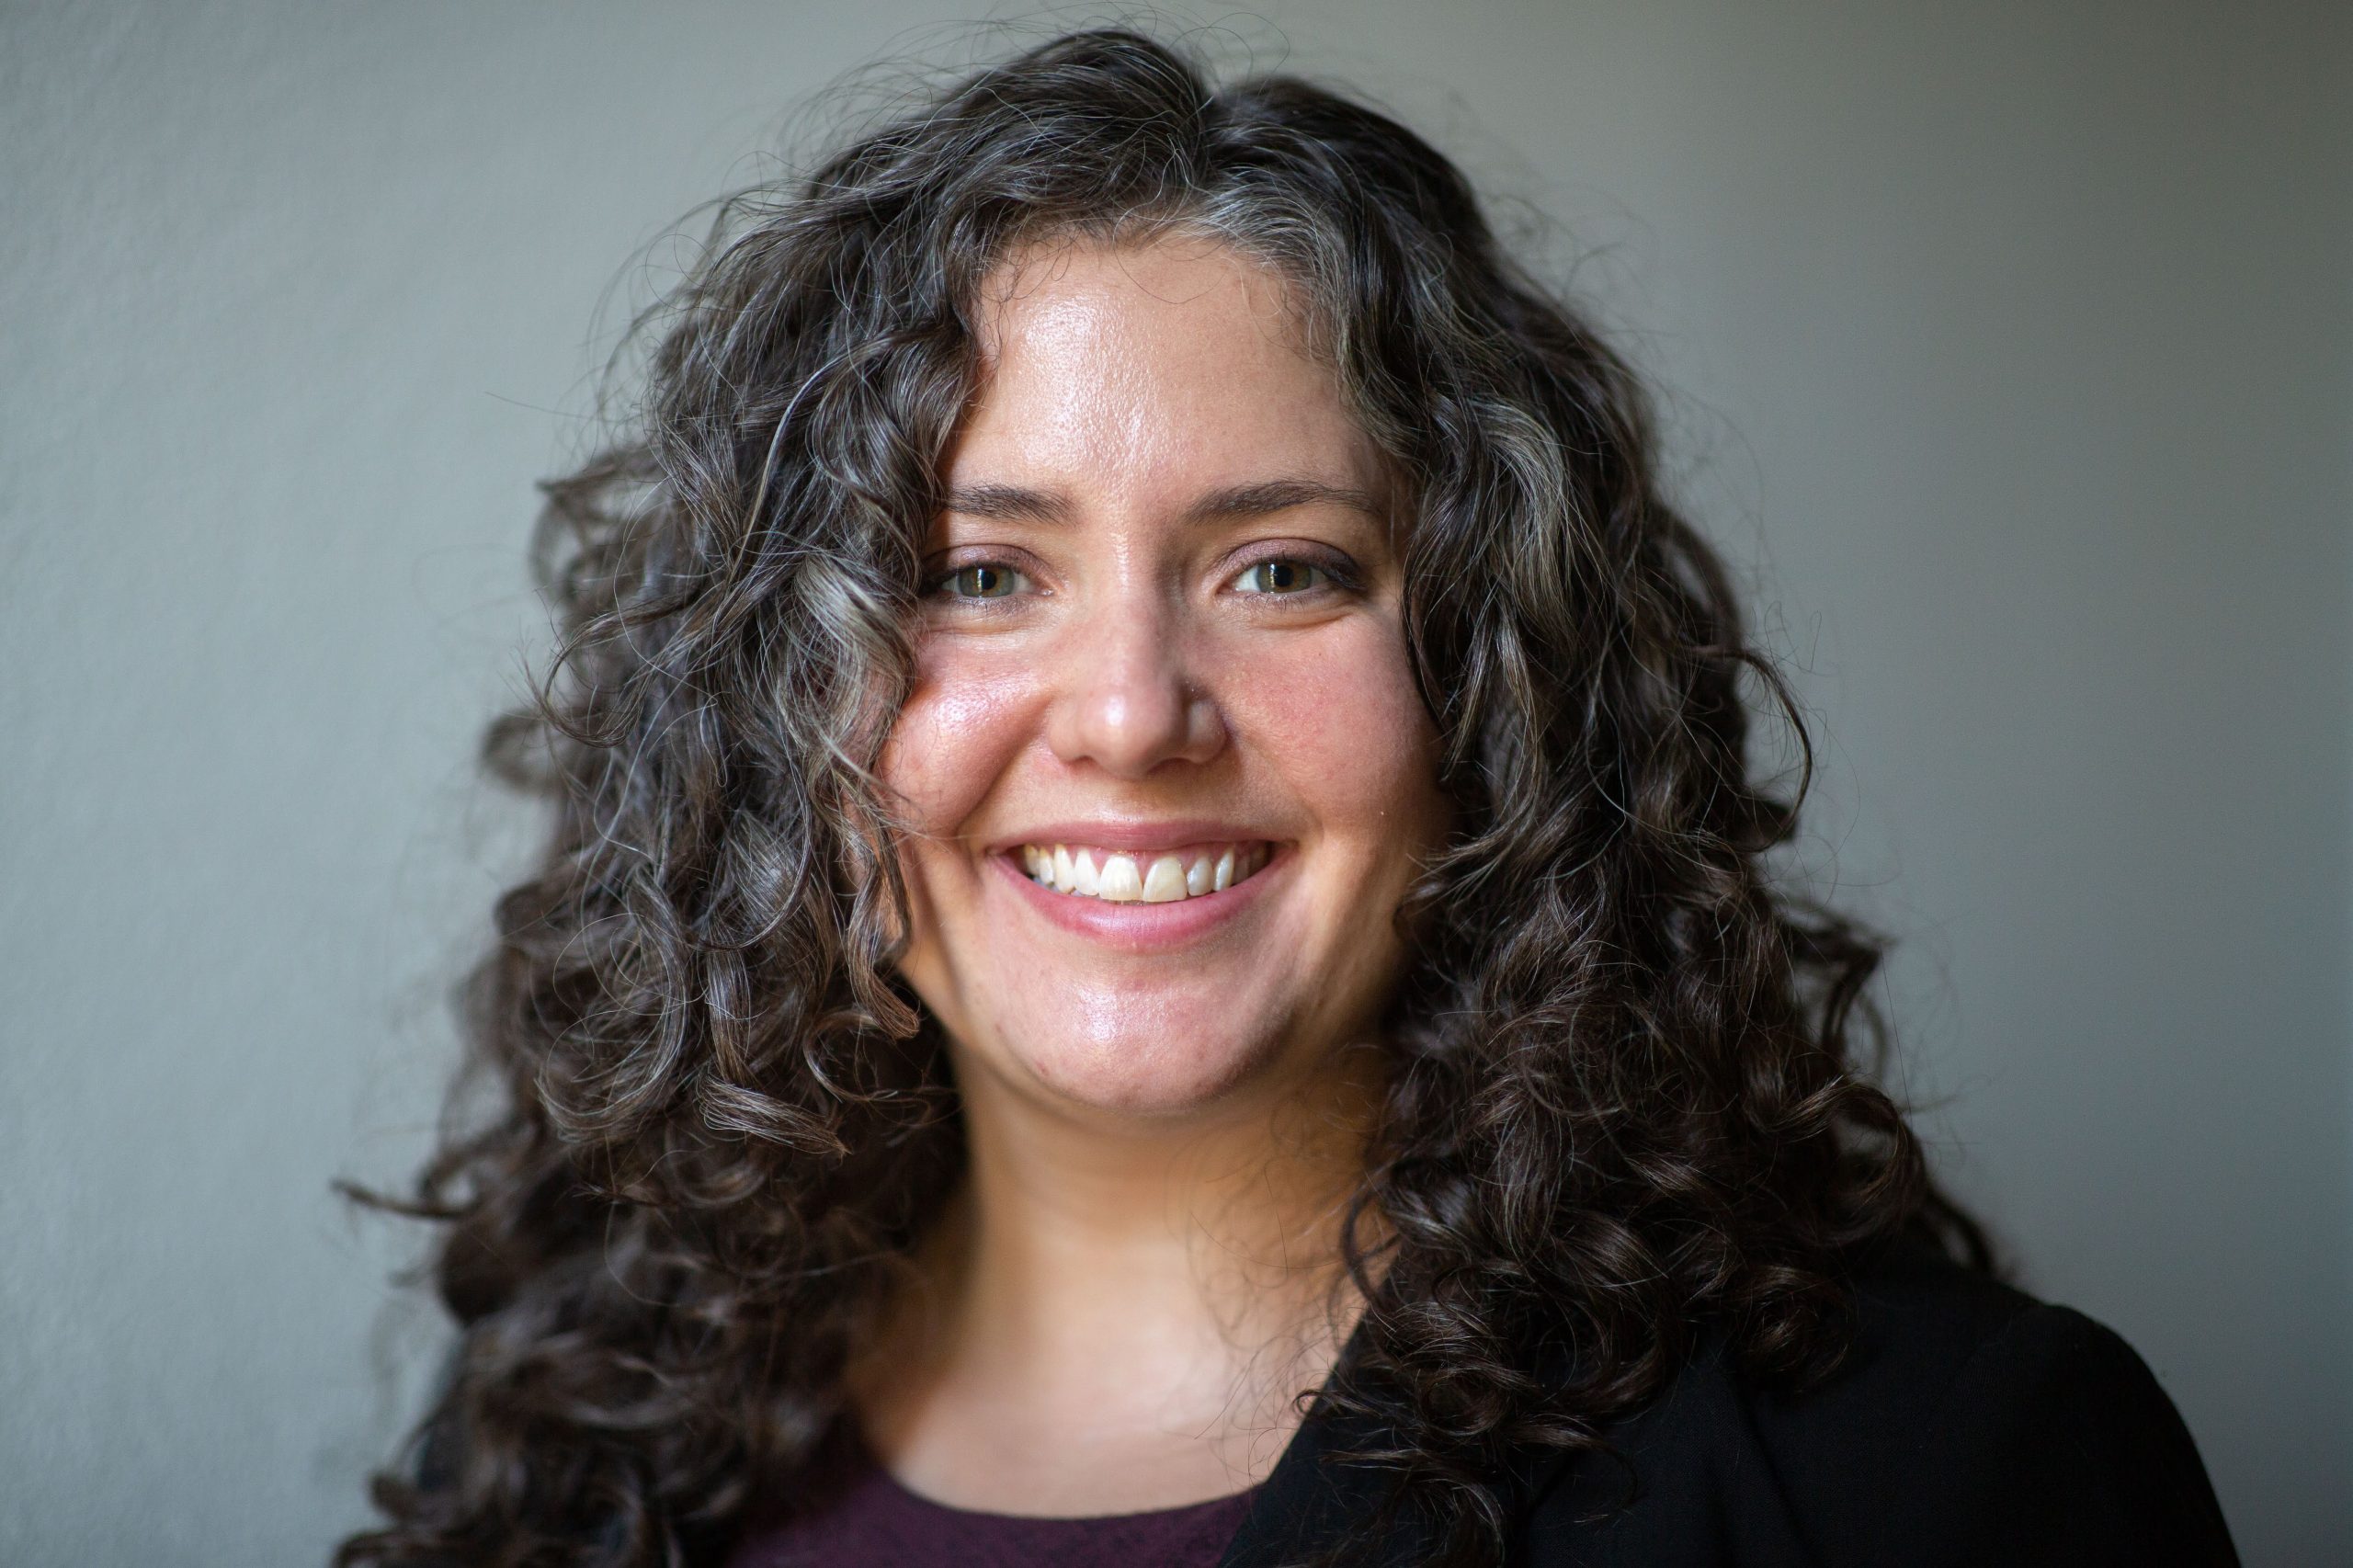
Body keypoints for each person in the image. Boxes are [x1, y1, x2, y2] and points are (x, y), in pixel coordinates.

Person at [339, 27, 2237, 1568]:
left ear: (1495, 682)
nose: (1133, 715)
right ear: (772, 710)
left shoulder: (1929, 1477)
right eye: (976, 573)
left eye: (1285, 570)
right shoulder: (572, 1439)